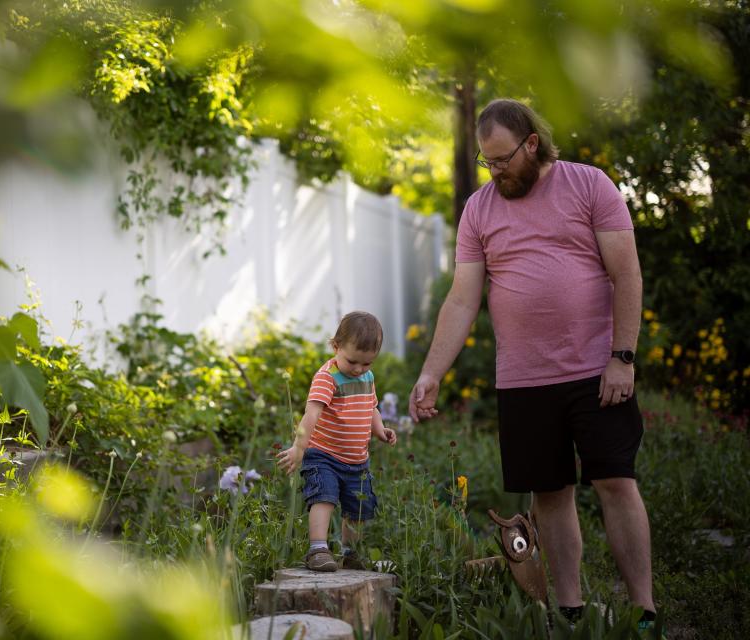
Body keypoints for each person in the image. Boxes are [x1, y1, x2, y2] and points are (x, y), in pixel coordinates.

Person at [408, 98, 658, 629]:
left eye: (502, 159)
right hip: (523, 379)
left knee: (616, 482)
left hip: (597, 370)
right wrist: (431, 372)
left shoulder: (589, 185)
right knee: (550, 493)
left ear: (532, 144)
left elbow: (627, 274)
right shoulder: (479, 209)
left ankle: (645, 612)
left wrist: (623, 357)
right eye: (486, 162)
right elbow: (461, 299)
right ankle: (569, 610)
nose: (495, 171)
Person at [277, 311, 397, 571]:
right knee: (324, 497)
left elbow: (371, 407)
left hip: (357, 460)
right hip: (324, 455)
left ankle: (350, 553)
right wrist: (299, 447)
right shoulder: (327, 377)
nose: (358, 369)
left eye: (367, 364)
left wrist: (380, 430)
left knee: (358, 508)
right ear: (336, 346)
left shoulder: (367, 378)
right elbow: (312, 414)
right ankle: (318, 549)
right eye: (352, 361)